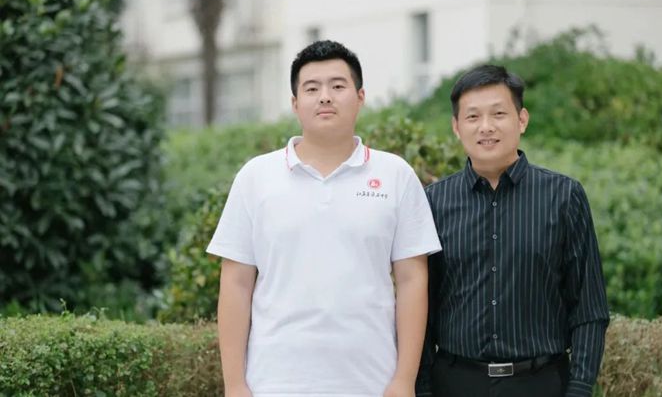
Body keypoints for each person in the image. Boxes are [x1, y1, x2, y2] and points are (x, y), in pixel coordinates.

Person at [207, 40, 442, 397]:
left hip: (371, 382)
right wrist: (235, 385)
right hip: (274, 383)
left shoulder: (395, 175)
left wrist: (403, 380)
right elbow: (236, 283)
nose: (325, 97)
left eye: (337, 86)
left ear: (360, 97)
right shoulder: (256, 177)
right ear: (295, 103)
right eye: (312, 88)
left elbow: (412, 280)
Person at [415, 65, 609, 397]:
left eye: (498, 114)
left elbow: (589, 308)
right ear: (456, 127)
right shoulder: (433, 202)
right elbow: (420, 308)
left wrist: (579, 389)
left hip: (542, 382)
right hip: (456, 383)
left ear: (522, 120)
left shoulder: (564, 197)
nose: (486, 127)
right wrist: (422, 388)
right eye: (473, 117)